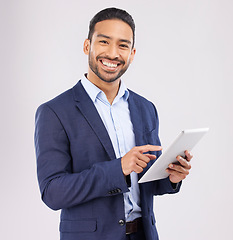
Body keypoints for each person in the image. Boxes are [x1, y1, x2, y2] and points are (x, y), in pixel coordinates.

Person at [34, 7, 192, 240]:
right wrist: (118, 169)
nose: (113, 53)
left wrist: (170, 178)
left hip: (144, 234)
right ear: (87, 46)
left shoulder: (145, 108)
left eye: (123, 45)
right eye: (104, 42)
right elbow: (53, 193)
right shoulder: (54, 112)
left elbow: (145, 183)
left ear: (132, 53)